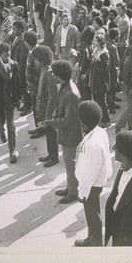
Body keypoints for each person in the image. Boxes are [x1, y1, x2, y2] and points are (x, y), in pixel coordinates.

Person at [73, 101, 113, 247]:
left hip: (91, 185)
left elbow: (89, 173)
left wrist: (82, 192)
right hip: (95, 183)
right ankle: (91, 238)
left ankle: (95, 244)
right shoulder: (99, 131)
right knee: (92, 213)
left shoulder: (92, 144)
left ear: (83, 122)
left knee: (92, 215)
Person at [48, 60, 83, 204]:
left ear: (59, 76)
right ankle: (70, 188)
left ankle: (73, 193)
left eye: (55, 74)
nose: (54, 77)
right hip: (67, 133)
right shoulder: (66, 87)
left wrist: (52, 122)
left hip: (71, 135)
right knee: (68, 164)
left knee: (70, 165)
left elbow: (68, 119)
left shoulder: (71, 93)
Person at [0, 43, 21, 164]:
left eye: (9, 54)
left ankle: (11, 151)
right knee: (0, 121)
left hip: (10, 101)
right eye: (6, 55)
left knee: (10, 124)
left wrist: (18, 99)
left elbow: (17, 82)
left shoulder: (14, 65)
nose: (8, 57)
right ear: (0, 54)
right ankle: (1, 132)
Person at [31, 45, 59, 168]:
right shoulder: (44, 71)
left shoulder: (50, 75)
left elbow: (53, 97)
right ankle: (50, 154)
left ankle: (54, 157)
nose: (35, 62)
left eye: (36, 60)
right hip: (44, 109)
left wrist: (47, 115)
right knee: (48, 134)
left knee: (51, 134)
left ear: (42, 61)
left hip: (49, 111)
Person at [115, 42, 132, 134]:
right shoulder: (129, 61)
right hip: (130, 88)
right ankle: (119, 125)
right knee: (131, 108)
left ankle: (131, 126)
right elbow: (125, 77)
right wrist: (129, 89)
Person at [24, 31, 45, 140]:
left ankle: (41, 129)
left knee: (38, 109)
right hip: (33, 86)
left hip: (37, 87)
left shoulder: (35, 53)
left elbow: (37, 72)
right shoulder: (34, 50)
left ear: (27, 42)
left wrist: (32, 85)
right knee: (36, 108)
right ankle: (38, 127)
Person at [89, 34, 111, 128]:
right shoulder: (96, 50)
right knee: (97, 100)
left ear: (100, 42)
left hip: (101, 82)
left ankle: (106, 119)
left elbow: (103, 69)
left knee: (101, 101)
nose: (93, 42)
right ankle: (100, 119)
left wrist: (97, 59)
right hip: (95, 80)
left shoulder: (104, 53)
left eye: (95, 40)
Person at [11, 20, 32, 117]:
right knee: (22, 88)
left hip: (22, 69)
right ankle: (26, 105)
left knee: (24, 88)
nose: (13, 31)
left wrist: (20, 71)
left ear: (21, 29)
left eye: (15, 29)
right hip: (16, 66)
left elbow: (23, 58)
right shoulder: (16, 38)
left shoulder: (23, 42)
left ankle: (28, 107)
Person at [77, 26, 95, 101]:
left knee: (83, 92)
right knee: (87, 93)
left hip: (83, 72)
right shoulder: (90, 45)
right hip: (88, 71)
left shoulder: (84, 45)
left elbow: (84, 58)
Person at [115, 2, 130, 80]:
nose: (117, 11)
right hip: (117, 43)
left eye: (119, 9)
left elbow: (116, 32)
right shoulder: (118, 17)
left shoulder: (125, 20)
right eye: (117, 9)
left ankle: (120, 79)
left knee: (120, 63)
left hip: (121, 45)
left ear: (124, 10)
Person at [106, 28, 120, 113]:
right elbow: (112, 58)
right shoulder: (111, 46)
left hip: (112, 68)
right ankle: (110, 104)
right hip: (112, 69)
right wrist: (117, 64)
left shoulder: (110, 43)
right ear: (116, 36)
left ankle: (111, 101)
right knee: (111, 86)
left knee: (112, 86)